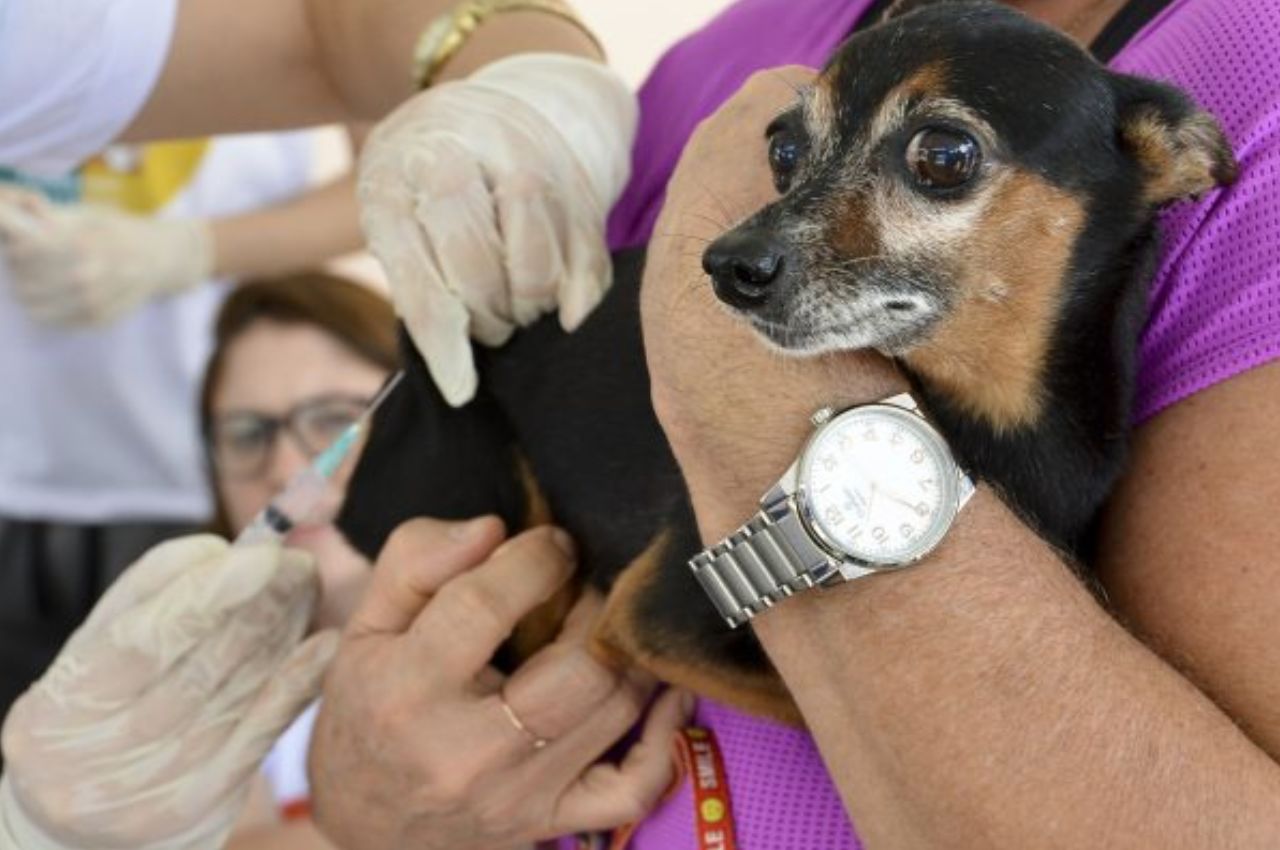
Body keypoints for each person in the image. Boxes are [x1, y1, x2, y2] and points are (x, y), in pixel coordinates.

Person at [303, 0, 1280, 846]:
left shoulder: (1248, 80)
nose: (742, 249)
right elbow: (380, 658)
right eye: (788, 155)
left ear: (1168, 159)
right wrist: (366, 798)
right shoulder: (725, 58)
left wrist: (753, 400)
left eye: (940, 159)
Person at [0, 128, 365, 720]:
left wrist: (187, 249)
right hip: (16, 477)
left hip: (207, 488)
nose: (294, 464)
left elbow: (390, 176)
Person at [195, 273, 398, 849]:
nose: (286, 472)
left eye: (334, 419)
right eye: (246, 432)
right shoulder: (200, 665)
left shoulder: (531, 624)